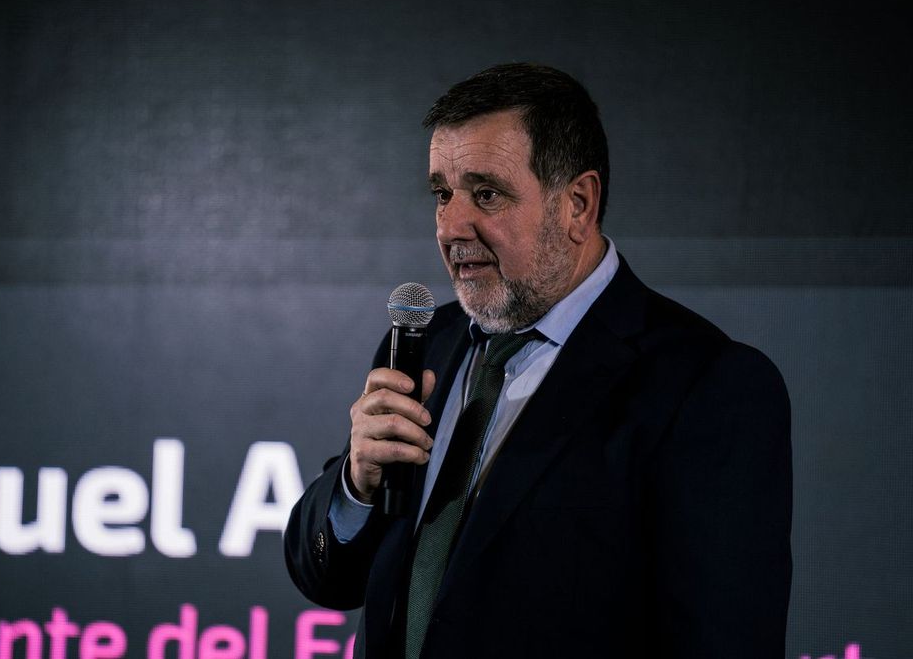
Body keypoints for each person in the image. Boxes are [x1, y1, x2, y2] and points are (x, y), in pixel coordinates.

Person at [284, 63, 792, 658]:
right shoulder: (428, 343)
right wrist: (357, 485)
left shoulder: (706, 384)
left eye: (487, 194)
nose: (450, 226)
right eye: (442, 194)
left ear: (578, 204)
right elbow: (327, 579)